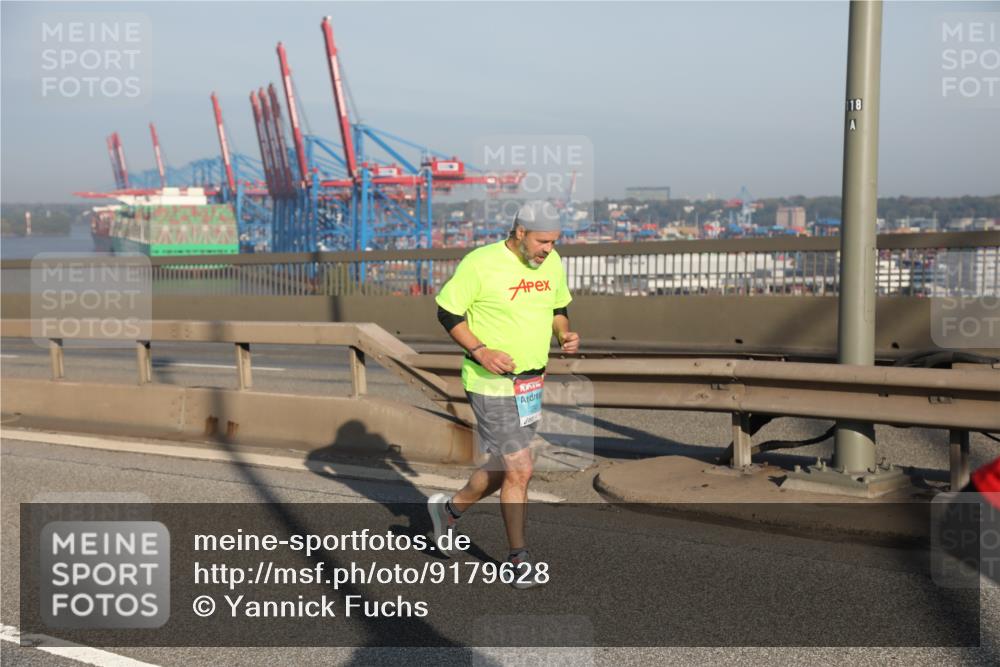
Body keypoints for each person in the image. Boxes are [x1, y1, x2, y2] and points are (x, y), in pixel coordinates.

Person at [427, 200, 580, 588]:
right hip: (489, 381)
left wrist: (563, 333)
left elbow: (558, 307)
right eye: (543, 241)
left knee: (505, 466)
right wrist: (480, 350)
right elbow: (448, 312)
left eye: (554, 241)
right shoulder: (480, 263)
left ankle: (450, 510)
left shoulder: (552, 262)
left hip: (530, 383)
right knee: (521, 468)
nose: (549, 249)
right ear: (519, 233)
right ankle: (518, 557)